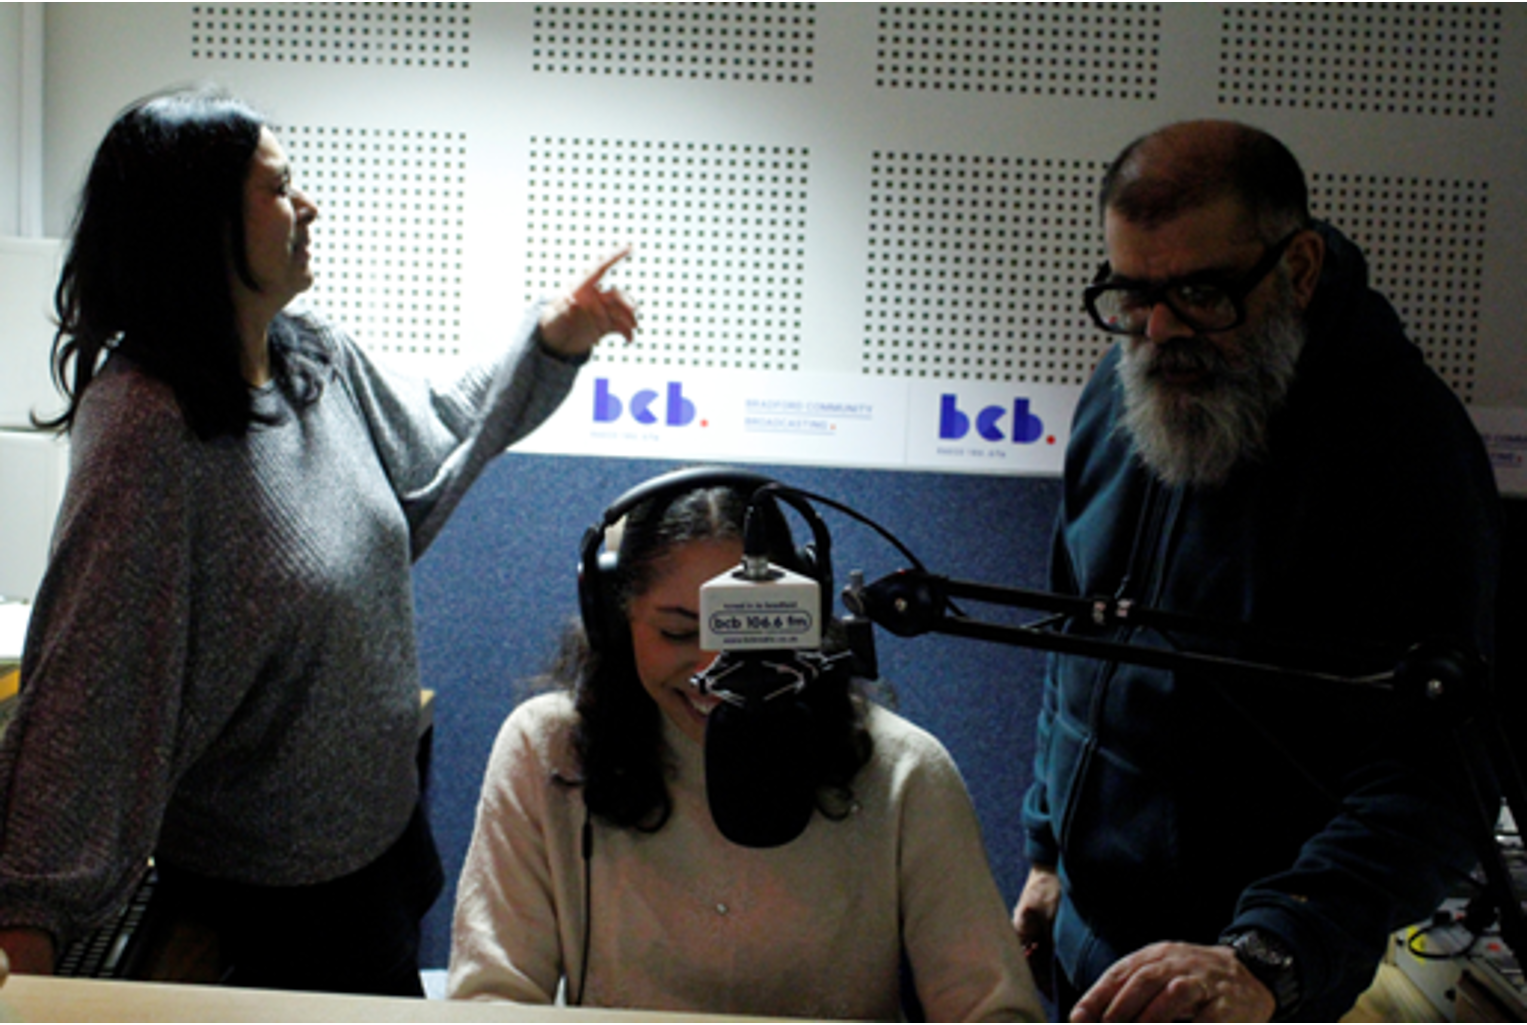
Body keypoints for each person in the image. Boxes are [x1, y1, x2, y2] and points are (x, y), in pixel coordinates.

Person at [0, 86, 635, 993]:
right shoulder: (148, 425)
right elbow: (88, 677)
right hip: (265, 913)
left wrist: (550, 339)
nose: (308, 204)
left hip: (374, 855)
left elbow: (445, 427)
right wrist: (29, 918)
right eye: (279, 186)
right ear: (198, 223)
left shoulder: (310, 359)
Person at [1013, 119, 1502, 1023]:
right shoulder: (1117, 393)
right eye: (1131, 292)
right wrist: (1047, 850)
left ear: (1299, 267)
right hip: (1090, 946)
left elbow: (1436, 777)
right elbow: (1074, 636)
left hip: (1247, 984)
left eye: (1199, 292)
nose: (1158, 331)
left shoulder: (1407, 454)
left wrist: (1270, 951)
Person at [447, 471, 1045, 1021]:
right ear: (613, 620)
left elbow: (992, 1009)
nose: (716, 671)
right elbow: (493, 999)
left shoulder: (905, 773)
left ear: (804, 618)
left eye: (748, 628)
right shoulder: (547, 752)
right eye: (680, 631)